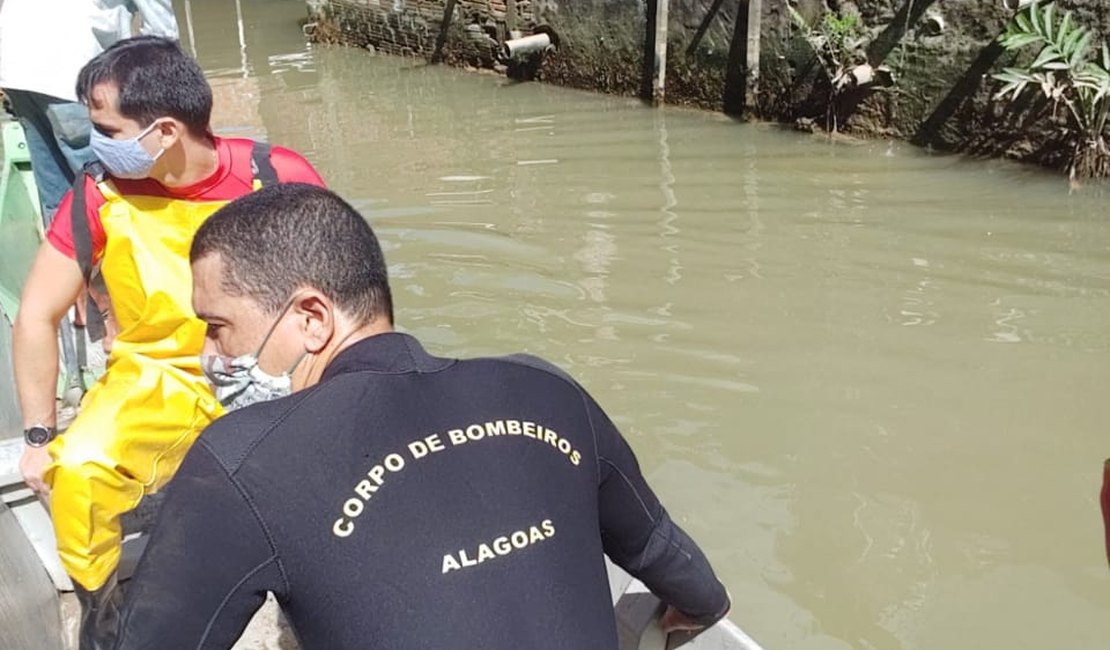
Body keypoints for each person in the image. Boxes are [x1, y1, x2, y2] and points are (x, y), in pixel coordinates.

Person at [110, 183, 731, 650]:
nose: (207, 356)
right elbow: (666, 555)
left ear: (311, 318)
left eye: (218, 328)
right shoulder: (543, 387)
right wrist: (693, 606)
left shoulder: (242, 460)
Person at [12, 36, 325, 650]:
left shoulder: (277, 175)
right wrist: (39, 438)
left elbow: (337, 294)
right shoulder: (99, 194)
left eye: (105, 127)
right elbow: (35, 315)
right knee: (77, 472)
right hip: (152, 376)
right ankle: (100, 610)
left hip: (265, 372)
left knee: (316, 483)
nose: (95, 142)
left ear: (163, 131)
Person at [0, 0, 179, 219]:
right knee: (104, 180)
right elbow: (161, 31)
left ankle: (63, 248)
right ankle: (116, 245)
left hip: (16, 66)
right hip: (70, 67)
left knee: (54, 186)